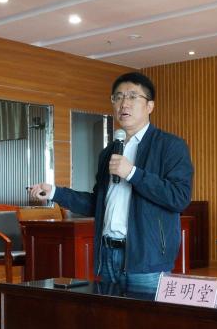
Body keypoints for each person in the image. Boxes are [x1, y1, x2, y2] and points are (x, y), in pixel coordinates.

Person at [28, 72, 193, 294]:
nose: (124, 103)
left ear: (150, 106)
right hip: (107, 255)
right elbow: (97, 204)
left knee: (145, 317)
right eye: (118, 97)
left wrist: (132, 173)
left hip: (148, 259)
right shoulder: (109, 152)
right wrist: (55, 192)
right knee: (110, 316)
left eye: (133, 96)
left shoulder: (170, 146)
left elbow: (179, 198)